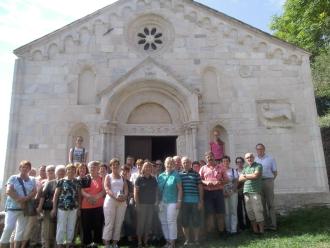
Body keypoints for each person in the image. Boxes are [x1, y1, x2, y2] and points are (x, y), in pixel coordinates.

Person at [0, 161, 37, 248]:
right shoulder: (13, 178)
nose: (25, 168)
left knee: (20, 230)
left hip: (24, 209)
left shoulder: (32, 179)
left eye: (27, 167)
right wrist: (19, 199)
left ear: (29, 169)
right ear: (20, 168)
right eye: (23, 167)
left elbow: (34, 192)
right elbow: (8, 190)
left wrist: (25, 199)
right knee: (8, 228)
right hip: (12, 208)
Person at [51, 164, 80, 247]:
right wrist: (54, 208)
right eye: (69, 170)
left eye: (73, 170)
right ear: (66, 171)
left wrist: (79, 208)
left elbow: (79, 196)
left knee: (71, 225)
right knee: (61, 226)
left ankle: (69, 242)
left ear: (75, 171)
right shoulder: (61, 181)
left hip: (73, 207)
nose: (71, 171)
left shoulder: (77, 181)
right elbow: (56, 195)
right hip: (62, 207)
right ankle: (59, 243)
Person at [199, 152, 228, 237]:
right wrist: (206, 182)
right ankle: (210, 233)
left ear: (214, 157)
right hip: (207, 193)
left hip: (218, 192)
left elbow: (226, 180)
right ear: (206, 158)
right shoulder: (203, 168)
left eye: (211, 156)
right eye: (208, 157)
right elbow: (199, 180)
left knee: (220, 213)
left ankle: (221, 232)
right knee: (209, 213)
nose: (210, 158)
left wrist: (219, 182)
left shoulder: (221, 167)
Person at [37, 165, 66, 248]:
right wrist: (39, 207)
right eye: (59, 172)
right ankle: (46, 245)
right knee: (47, 230)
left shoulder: (67, 183)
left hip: (62, 209)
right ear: (56, 173)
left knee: (58, 229)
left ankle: (56, 245)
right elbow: (43, 196)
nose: (61, 174)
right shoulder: (50, 183)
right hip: (48, 209)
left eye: (63, 172)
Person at [103, 158, 128, 248]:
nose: (115, 166)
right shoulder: (108, 176)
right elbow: (107, 188)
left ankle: (114, 243)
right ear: (110, 166)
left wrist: (124, 196)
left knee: (118, 223)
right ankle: (107, 243)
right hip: (110, 201)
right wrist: (115, 197)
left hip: (121, 202)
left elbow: (125, 188)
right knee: (109, 223)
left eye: (117, 164)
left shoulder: (122, 177)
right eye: (113, 164)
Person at [158, 157, 182, 248]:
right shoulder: (160, 176)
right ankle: (167, 241)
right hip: (162, 202)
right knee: (163, 221)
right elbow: (158, 190)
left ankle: (172, 243)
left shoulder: (176, 175)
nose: (169, 165)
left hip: (173, 202)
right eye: (167, 163)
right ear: (164, 164)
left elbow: (180, 189)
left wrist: (179, 201)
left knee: (171, 221)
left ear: (173, 165)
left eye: (171, 163)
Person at [179, 157, 203, 246]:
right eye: (184, 162)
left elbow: (200, 188)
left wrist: (200, 201)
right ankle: (187, 240)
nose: (186, 164)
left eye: (187, 162)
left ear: (190, 163)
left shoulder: (196, 174)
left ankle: (196, 240)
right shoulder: (179, 174)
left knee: (196, 221)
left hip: (195, 201)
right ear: (182, 164)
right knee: (184, 222)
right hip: (184, 202)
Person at [80, 161, 105, 247]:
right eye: (91, 167)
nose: (92, 169)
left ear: (98, 169)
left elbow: (104, 191)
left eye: (95, 167)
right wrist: (89, 197)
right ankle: (87, 242)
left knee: (98, 224)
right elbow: (82, 191)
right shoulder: (84, 178)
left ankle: (97, 241)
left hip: (98, 205)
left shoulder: (102, 178)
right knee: (86, 225)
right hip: (86, 206)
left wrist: (95, 198)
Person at [239, 153, 264, 234]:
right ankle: (255, 230)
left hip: (255, 191)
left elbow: (256, 176)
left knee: (258, 211)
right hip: (246, 191)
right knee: (250, 211)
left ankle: (261, 231)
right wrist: (250, 175)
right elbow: (240, 179)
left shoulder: (258, 165)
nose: (249, 159)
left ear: (253, 158)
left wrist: (245, 176)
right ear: (245, 159)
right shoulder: (245, 167)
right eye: (247, 158)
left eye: (250, 157)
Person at [134, 162, 158, 248]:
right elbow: (136, 192)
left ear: (151, 169)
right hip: (142, 205)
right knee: (141, 223)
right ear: (143, 168)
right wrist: (137, 204)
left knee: (148, 223)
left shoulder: (154, 179)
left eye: (149, 167)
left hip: (151, 205)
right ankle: (139, 242)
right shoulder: (139, 179)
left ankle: (146, 241)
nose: (148, 168)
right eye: (146, 167)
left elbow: (156, 192)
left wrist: (156, 202)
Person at [255, 143, 278, 230]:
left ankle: (273, 225)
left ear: (264, 149)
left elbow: (275, 172)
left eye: (261, 149)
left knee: (271, 204)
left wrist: (271, 181)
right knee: (261, 204)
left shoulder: (270, 159)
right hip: (259, 182)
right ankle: (265, 225)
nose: (259, 150)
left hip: (268, 181)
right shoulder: (255, 160)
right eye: (258, 149)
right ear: (256, 150)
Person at [222, 156, 239, 234]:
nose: (225, 162)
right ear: (222, 162)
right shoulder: (220, 171)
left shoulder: (233, 170)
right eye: (224, 161)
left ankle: (234, 229)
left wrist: (232, 191)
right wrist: (224, 192)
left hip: (233, 192)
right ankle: (228, 229)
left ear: (229, 161)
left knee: (233, 211)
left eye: (227, 161)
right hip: (224, 193)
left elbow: (236, 181)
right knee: (226, 211)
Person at [121, 165, 135, 244]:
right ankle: (121, 237)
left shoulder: (130, 183)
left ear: (128, 172)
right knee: (120, 221)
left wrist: (130, 195)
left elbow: (132, 193)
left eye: (126, 171)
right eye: (123, 170)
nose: (124, 172)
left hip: (127, 205)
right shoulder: (118, 181)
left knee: (128, 221)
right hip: (119, 203)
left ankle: (129, 237)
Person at [235, 157, 250, 230]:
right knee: (239, 209)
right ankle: (241, 225)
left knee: (247, 208)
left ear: (243, 162)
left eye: (240, 162)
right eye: (237, 162)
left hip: (246, 191)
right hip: (237, 192)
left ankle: (249, 224)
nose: (239, 163)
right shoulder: (234, 171)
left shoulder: (246, 170)